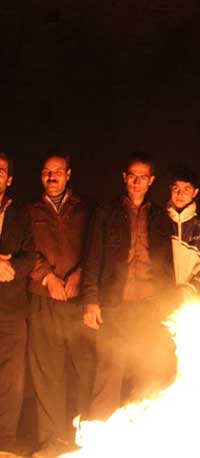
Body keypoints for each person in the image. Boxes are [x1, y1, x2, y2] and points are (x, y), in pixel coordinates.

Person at [81, 152, 176, 420]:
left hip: (149, 307)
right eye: (132, 176)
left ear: (151, 181)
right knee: (108, 373)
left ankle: (141, 437)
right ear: (125, 178)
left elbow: (167, 266)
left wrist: (165, 306)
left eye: (143, 177)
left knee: (149, 372)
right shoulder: (106, 213)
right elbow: (92, 258)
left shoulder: (159, 217)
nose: (137, 182)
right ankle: (99, 439)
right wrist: (91, 300)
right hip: (115, 306)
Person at [27, 154, 94, 458]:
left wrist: (80, 274)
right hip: (44, 299)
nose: (51, 177)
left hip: (77, 299)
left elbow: (96, 246)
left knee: (83, 368)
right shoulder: (30, 210)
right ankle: (52, 442)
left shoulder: (85, 209)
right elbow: (25, 250)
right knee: (47, 372)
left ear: (69, 174)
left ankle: (83, 438)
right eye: (46, 172)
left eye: (57, 172)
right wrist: (47, 278)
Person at [0, 152, 36, 456]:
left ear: (8, 179)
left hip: (11, 310)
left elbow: (30, 255)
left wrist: (10, 269)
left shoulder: (19, 213)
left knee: (11, 381)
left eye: (0, 171)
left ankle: (5, 445)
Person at [166, 166, 200, 299]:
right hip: (161, 300)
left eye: (186, 189)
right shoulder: (159, 222)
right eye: (176, 188)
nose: (180, 194)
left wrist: (191, 289)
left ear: (195, 192)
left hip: (194, 302)